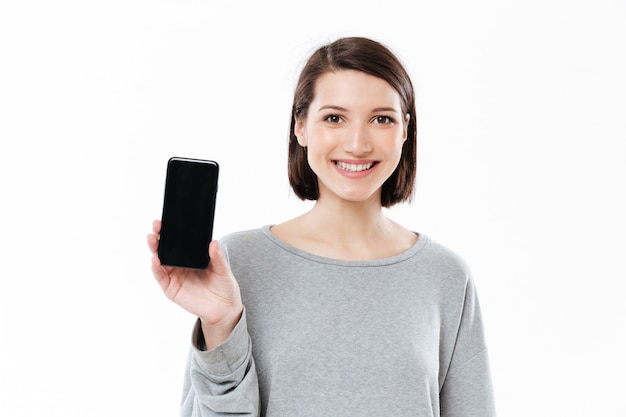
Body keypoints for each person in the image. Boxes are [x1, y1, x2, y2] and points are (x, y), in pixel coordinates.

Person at [147, 36, 496, 417]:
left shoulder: (445, 276)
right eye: (334, 118)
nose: (358, 144)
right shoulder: (237, 264)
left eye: (382, 119)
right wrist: (220, 325)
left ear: (405, 130)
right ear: (301, 127)